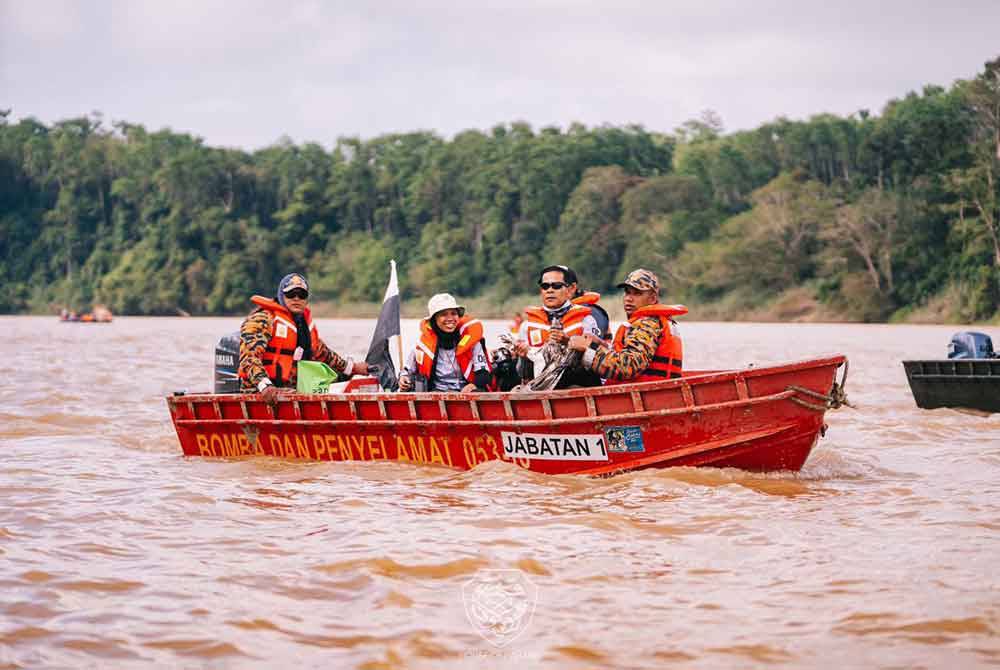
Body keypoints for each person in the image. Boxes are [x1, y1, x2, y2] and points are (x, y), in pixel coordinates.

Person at [238, 273, 368, 401]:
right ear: (281, 296)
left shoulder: (302, 324)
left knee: (340, 378)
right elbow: (249, 358)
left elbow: (324, 353)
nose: (296, 298)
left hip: (290, 390)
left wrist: (353, 368)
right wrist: (264, 384)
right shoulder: (262, 319)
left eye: (301, 295)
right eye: (291, 294)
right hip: (259, 391)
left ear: (306, 299)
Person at [568, 268, 686, 384]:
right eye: (627, 292)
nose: (629, 299)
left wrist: (588, 348)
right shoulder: (654, 321)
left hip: (647, 394)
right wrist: (599, 344)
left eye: (637, 293)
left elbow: (628, 367)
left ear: (653, 298)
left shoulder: (647, 324)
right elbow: (628, 355)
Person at [513, 264, 604, 388]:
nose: (550, 290)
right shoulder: (527, 325)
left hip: (575, 382)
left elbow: (594, 361)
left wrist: (568, 342)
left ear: (571, 289)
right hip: (538, 385)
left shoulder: (586, 320)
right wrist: (523, 358)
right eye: (545, 286)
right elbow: (522, 373)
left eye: (556, 286)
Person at [398, 293, 492, 392]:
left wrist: (473, 385)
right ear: (434, 319)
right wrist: (403, 377)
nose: (450, 318)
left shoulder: (472, 342)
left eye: (453, 313)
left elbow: (484, 373)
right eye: (443, 314)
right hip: (435, 396)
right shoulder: (422, 344)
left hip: (466, 396)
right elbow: (407, 370)